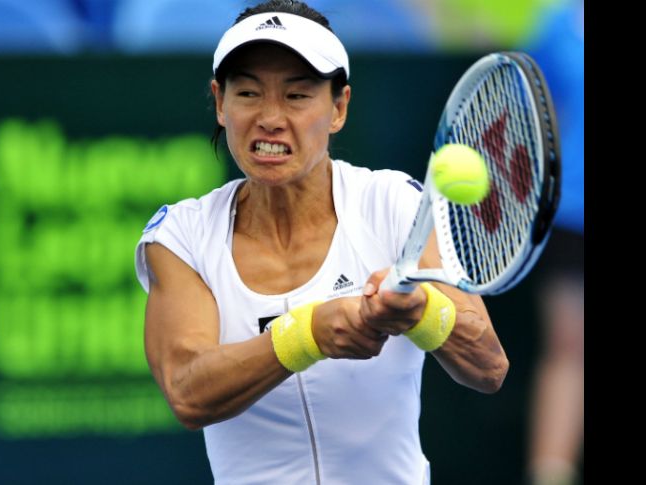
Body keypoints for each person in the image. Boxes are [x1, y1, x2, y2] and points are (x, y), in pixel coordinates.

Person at [135, 1, 509, 483]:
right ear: (220, 103)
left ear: (338, 108)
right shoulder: (181, 237)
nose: (270, 118)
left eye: (296, 96)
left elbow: (489, 367)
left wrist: (420, 313)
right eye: (248, 92)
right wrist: (306, 334)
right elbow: (188, 392)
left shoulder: (393, 204)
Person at [524, 2, 584, 484]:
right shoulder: (556, 26)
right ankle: (551, 474)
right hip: (572, 212)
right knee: (568, 345)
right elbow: (532, 120)